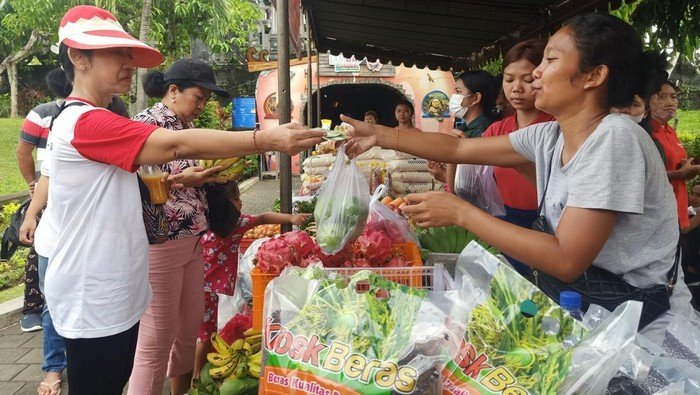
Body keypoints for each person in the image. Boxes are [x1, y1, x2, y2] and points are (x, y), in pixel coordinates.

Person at [342, 13, 699, 344]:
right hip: (598, 316)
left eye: (551, 60)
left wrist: (461, 213)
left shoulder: (614, 138)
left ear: (594, 76)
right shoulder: (551, 135)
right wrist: (380, 135)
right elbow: (456, 151)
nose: (536, 74)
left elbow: (566, 259)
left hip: (644, 332)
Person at [29, 6, 322, 394]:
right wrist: (265, 139)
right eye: (115, 53)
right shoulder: (83, 121)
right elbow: (174, 145)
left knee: (144, 356)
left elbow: (151, 174)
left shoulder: (104, 120)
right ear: (78, 57)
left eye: (128, 54)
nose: (127, 63)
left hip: (118, 284)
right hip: (94, 295)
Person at [18, 70, 131, 395]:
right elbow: (47, 177)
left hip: (88, 253)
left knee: (66, 313)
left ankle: (65, 367)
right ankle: (53, 370)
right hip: (57, 244)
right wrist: (31, 214)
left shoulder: (102, 125)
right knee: (54, 308)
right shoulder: (67, 122)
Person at [126, 58, 232, 395]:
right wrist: (178, 180)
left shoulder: (184, 127)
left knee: (189, 328)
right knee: (157, 338)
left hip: (194, 240)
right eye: (198, 97)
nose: (202, 105)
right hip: (162, 243)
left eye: (205, 100)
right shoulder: (146, 123)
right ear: (173, 91)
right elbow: (134, 181)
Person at [193, 181, 310, 376]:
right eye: (236, 199)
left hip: (203, 288)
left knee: (203, 333)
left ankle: (191, 374)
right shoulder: (225, 225)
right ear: (223, 204)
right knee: (205, 336)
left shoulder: (213, 224)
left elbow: (263, 217)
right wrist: (291, 217)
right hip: (203, 290)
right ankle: (195, 376)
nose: (241, 202)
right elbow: (262, 218)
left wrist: (291, 217)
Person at [481, 38, 554, 275]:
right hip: (504, 220)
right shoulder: (495, 131)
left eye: (528, 79)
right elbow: (472, 170)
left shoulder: (557, 128)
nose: (516, 88)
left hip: (549, 225)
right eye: (509, 79)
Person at [650, 81, 700, 230]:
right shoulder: (645, 132)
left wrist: (689, 170)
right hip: (657, 215)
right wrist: (680, 173)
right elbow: (643, 176)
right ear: (647, 100)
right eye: (662, 97)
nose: (670, 102)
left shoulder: (670, 130)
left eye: (673, 97)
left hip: (678, 211)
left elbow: (676, 167)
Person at [445, 70, 500, 199]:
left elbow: (474, 181)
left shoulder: (485, 130)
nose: (453, 97)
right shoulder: (467, 128)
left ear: (475, 98)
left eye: (458, 92)